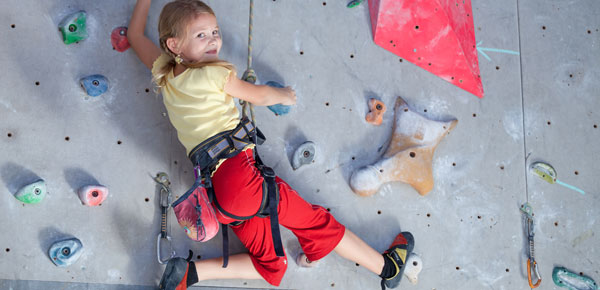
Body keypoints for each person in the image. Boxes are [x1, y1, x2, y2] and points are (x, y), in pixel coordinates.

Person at [128, 1, 415, 289]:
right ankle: (387, 268)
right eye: (201, 35)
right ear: (174, 44)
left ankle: (189, 275)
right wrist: (284, 95)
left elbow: (135, 36)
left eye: (215, 31)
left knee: (272, 267)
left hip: (218, 194)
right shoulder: (215, 74)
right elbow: (259, 96)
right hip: (241, 180)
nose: (213, 39)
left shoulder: (165, 75)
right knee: (319, 223)